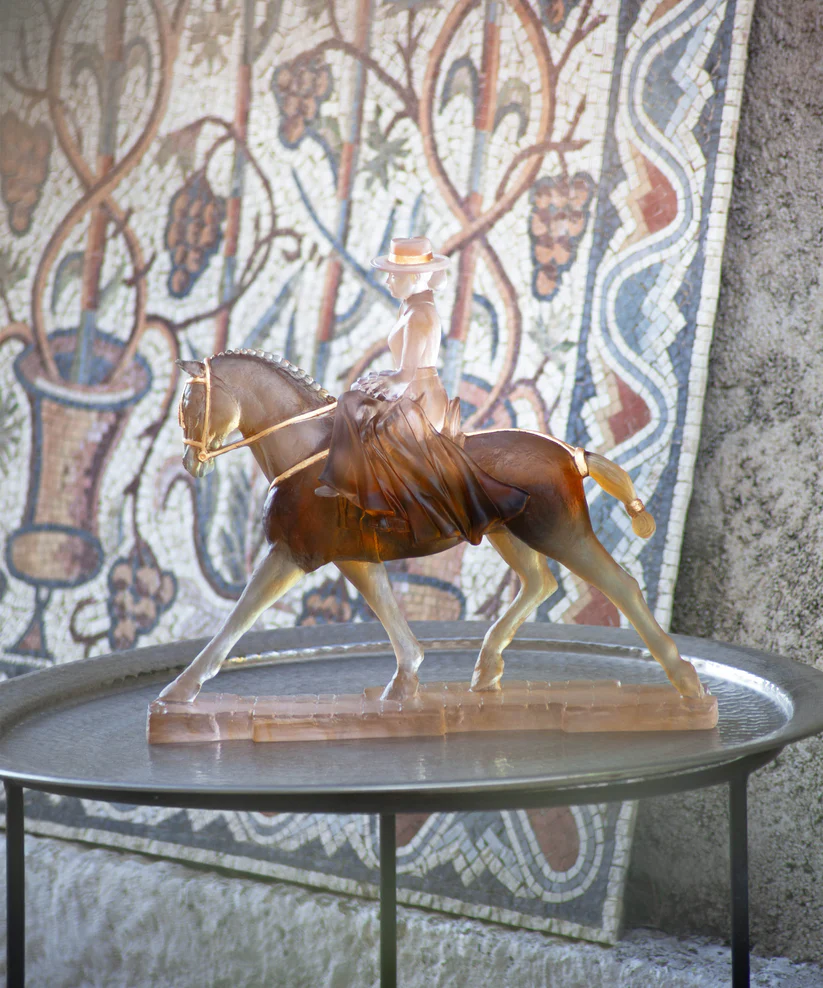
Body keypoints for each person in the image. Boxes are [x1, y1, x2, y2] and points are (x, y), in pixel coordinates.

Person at [316, 236, 528, 546]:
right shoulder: (411, 305)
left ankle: (387, 505)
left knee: (357, 411)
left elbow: (405, 375)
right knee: (355, 401)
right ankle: (351, 484)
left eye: (394, 276)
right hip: (413, 390)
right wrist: (378, 379)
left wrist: (384, 382)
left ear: (415, 277)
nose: (388, 281)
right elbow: (403, 370)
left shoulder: (419, 316)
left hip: (421, 400)